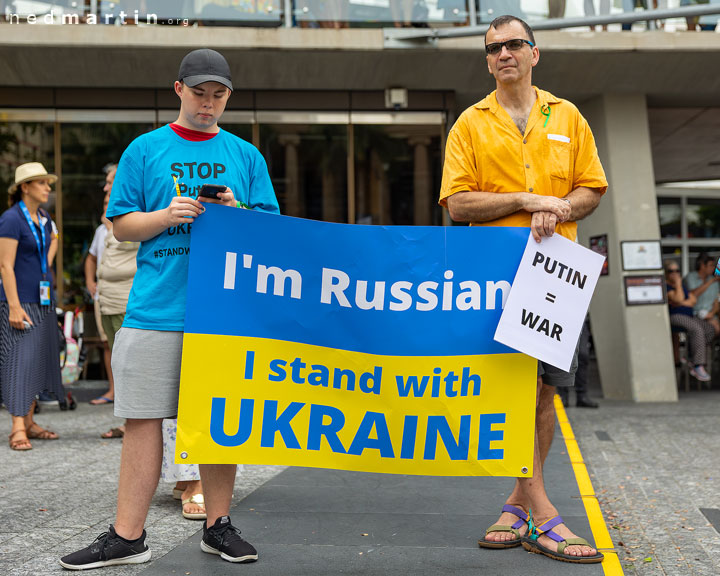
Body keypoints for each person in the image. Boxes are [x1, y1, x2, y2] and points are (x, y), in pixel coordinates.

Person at [60, 48, 280, 570]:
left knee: (219, 421)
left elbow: (271, 231)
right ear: (178, 89)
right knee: (142, 419)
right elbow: (121, 225)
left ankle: (217, 524)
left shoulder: (246, 156)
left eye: (218, 94)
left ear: (229, 95)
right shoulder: (145, 149)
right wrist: (165, 214)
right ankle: (128, 535)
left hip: (225, 312)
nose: (208, 103)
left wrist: (235, 213)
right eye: (199, 92)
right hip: (156, 306)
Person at [439, 15, 606, 564]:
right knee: (509, 391)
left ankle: (516, 504)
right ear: (488, 61)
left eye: (514, 45)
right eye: (494, 48)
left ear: (536, 53)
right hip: (491, 279)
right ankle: (544, 511)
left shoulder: (570, 116)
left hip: (556, 277)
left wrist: (560, 209)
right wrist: (528, 200)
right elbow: (457, 203)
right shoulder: (470, 122)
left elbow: (589, 189)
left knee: (545, 392)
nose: (504, 54)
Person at [0, 162, 64, 451]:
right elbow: (4, 265)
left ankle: (29, 423)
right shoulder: (12, 219)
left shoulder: (44, 217)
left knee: (37, 360)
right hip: (20, 300)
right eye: (42, 183)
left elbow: (53, 239)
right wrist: (13, 305)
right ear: (25, 187)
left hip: (43, 298)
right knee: (18, 362)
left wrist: (46, 261)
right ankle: (16, 428)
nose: (48, 188)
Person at [85, 173, 114, 405]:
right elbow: (91, 258)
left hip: (123, 295)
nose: (105, 192)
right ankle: (112, 389)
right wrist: (90, 283)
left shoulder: (128, 223)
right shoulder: (100, 231)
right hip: (103, 294)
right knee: (107, 343)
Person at [666, 260, 714, 382]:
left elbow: (693, 300)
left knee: (709, 329)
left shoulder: (682, 286)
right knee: (696, 329)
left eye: (677, 271)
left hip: (689, 316)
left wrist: (680, 302)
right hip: (675, 316)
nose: (675, 273)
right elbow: (678, 297)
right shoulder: (666, 286)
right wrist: (677, 284)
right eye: (671, 271)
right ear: (666, 273)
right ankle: (698, 365)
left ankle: (690, 356)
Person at [684, 252, 720, 337]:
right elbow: (693, 294)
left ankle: (708, 349)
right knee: (705, 330)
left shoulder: (714, 282)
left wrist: (711, 314)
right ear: (702, 266)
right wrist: (710, 282)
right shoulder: (690, 277)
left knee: (716, 329)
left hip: (711, 315)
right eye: (711, 265)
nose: (713, 268)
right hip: (693, 315)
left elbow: (716, 301)